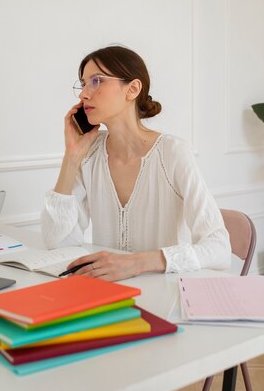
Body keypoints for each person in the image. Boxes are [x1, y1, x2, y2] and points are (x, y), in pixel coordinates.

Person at [41, 45, 231, 281]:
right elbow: (58, 244)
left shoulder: (172, 153)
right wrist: (71, 156)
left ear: (132, 89)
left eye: (96, 81)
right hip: (107, 296)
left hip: (164, 294)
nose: (83, 94)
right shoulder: (89, 154)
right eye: (83, 84)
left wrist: (137, 263)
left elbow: (220, 249)